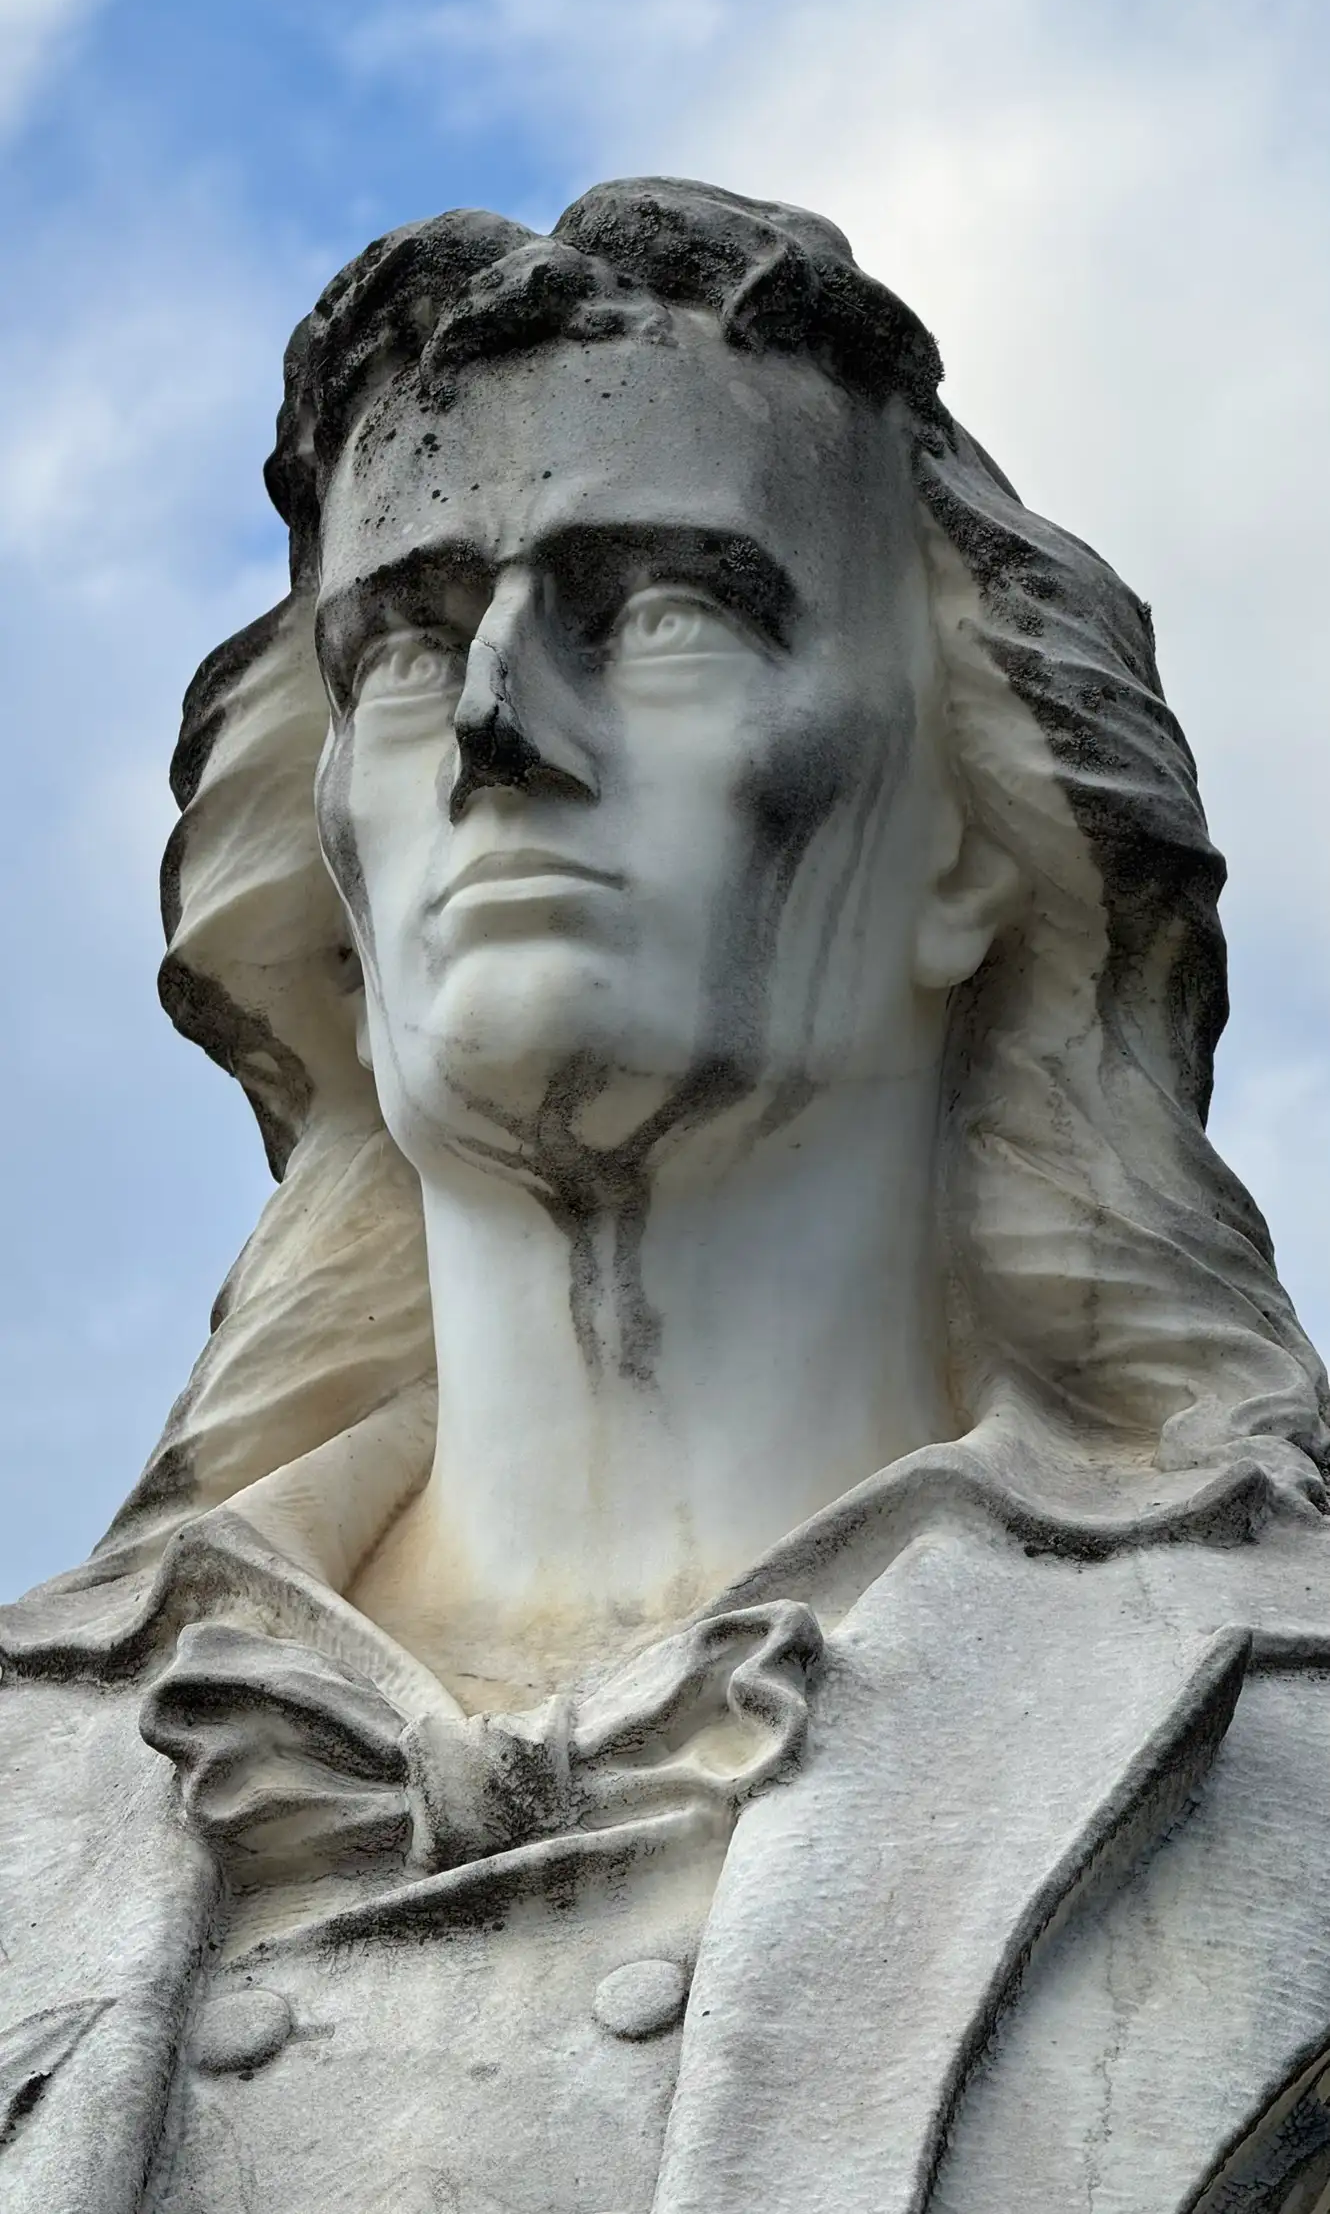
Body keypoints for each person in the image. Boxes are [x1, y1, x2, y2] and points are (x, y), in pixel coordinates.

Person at [3, 178, 1329, 2214]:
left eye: (673, 613)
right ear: (329, 885)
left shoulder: (1279, 1742)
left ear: (975, 836)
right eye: (412, 646)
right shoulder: (33, 1783)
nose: (504, 735)